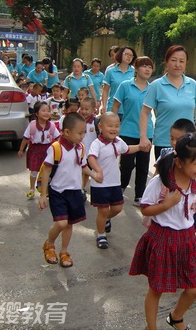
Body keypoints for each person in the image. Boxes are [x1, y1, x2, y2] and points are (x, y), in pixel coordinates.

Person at [129, 133, 196, 330]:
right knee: (156, 289)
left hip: (187, 239)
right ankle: (151, 327)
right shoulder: (161, 183)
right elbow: (145, 208)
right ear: (179, 162)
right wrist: (167, 204)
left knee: (194, 288)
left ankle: (176, 317)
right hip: (162, 237)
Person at [38, 112, 102, 268]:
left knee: (69, 225)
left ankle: (64, 251)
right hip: (58, 192)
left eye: (84, 133)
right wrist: (43, 195)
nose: (82, 136)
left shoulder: (80, 148)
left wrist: (94, 175)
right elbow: (46, 170)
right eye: (80, 133)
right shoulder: (56, 148)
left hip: (74, 192)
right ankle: (50, 244)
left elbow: (82, 166)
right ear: (66, 132)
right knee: (61, 223)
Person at [139, 45, 196, 159]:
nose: (177, 64)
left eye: (181, 61)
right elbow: (145, 113)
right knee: (166, 176)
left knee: (186, 176)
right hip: (165, 143)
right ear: (166, 62)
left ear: (186, 64)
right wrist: (143, 137)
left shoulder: (192, 84)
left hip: (188, 143)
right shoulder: (157, 85)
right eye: (173, 60)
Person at [87, 112, 141, 249]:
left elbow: (127, 149)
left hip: (114, 183)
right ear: (100, 126)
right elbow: (91, 158)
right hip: (100, 184)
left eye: (116, 126)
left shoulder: (118, 142)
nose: (113, 129)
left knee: (117, 208)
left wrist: (140, 147)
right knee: (103, 211)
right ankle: (100, 235)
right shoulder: (97, 143)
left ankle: (106, 220)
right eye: (110, 125)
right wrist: (98, 170)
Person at [153, 118, 196, 231]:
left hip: (189, 203)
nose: (173, 142)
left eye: (178, 139)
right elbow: (158, 173)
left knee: (189, 226)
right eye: (171, 138)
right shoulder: (165, 154)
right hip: (168, 201)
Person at [112, 56, 154, 207]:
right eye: (144, 66)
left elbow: (157, 111)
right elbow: (115, 107)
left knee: (143, 165)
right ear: (136, 69)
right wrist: (113, 127)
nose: (147, 69)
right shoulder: (125, 86)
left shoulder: (153, 88)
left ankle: (139, 195)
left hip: (147, 133)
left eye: (150, 67)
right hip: (127, 131)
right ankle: (120, 188)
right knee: (127, 164)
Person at [18, 101, 60, 198]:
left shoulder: (52, 126)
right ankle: (32, 188)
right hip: (35, 150)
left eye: (48, 111)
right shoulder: (32, 125)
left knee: (48, 170)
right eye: (43, 111)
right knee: (34, 171)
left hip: (48, 150)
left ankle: (45, 190)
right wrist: (21, 150)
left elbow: (58, 138)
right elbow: (25, 138)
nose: (46, 113)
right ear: (36, 113)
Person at [101, 46, 136, 115]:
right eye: (126, 54)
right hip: (113, 108)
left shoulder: (135, 72)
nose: (129, 57)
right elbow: (105, 90)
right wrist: (103, 105)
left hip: (129, 109)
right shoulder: (110, 71)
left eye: (131, 55)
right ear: (120, 54)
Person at [78, 97, 98, 201]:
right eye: (82, 109)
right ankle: (78, 188)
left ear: (94, 109)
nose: (84, 111)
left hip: (91, 154)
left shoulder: (96, 122)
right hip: (78, 152)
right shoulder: (78, 121)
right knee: (78, 171)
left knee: (86, 172)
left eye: (87, 109)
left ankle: (82, 188)